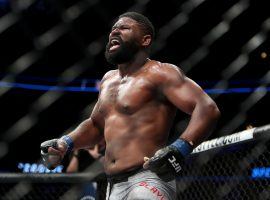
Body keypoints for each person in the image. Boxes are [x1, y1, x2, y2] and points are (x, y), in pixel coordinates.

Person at [41, 12, 220, 199]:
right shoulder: (108, 80)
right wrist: (65, 143)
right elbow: (96, 125)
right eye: (113, 29)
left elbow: (206, 108)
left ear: (145, 40)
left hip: (148, 178)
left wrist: (180, 148)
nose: (114, 32)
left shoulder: (161, 73)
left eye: (124, 28)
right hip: (113, 184)